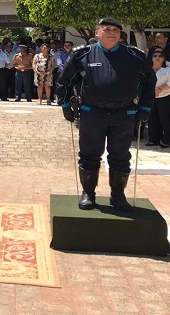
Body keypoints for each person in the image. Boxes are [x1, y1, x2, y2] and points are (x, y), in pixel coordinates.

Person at [56, 18, 156, 212]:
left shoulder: (134, 56)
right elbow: (64, 81)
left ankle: (118, 196)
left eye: (116, 30)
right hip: (92, 112)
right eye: (107, 29)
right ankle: (89, 194)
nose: (112, 33)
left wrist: (145, 108)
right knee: (89, 154)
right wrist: (65, 104)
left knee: (120, 156)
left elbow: (149, 82)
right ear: (97, 33)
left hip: (124, 114)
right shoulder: (82, 55)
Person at [146, 47, 170, 148]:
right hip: (151, 97)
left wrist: (160, 89)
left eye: (160, 56)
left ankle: (166, 140)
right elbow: (142, 82)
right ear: (151, 58)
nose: (157, 58)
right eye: (155, 56)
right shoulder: (147, 70)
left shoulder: (168, 70)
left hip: (164, 97)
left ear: (164, 59)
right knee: (152, 119)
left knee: (165, 119)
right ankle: (153, 139)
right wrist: (152, 91)